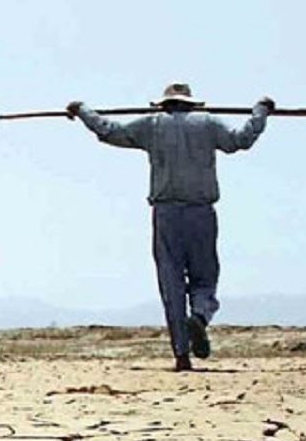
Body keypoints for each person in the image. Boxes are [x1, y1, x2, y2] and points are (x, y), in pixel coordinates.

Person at [67, 83, 274, 371]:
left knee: (171, 284)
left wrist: (82, 110)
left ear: (164, 104)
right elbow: (241, 140)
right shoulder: (208, 122)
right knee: (205, 278)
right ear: (191, 104)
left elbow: (108, 130)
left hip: (166, 214)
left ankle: (181, 354)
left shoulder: (152, 125)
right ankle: (200, 317)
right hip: (201, 212)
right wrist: (260, 111)